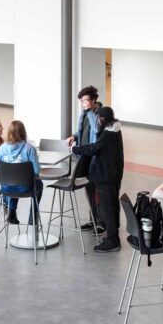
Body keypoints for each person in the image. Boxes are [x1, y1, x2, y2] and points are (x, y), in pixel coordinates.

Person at [69, 106, 125, 253]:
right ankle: (113, 236)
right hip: (113, 175)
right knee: (112, 206)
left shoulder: (108, 135)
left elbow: (93, 149)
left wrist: (75, 149)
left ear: (102, 119)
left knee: (108, 208)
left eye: (98, 119)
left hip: (107, 177)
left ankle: (113, 241)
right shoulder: (115, 130)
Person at [65, 85, 103, 234]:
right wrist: (74, 136)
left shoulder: (100, 113)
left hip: (95, 157)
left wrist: (90, 111)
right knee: (89, 189)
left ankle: (101, 223)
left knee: (97, 191)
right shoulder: (85, 113)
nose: (84, 104)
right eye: (82, 101)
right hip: (84, 155)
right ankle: (92, 219)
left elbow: (97, 129)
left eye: (86, 100)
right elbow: (82, 130)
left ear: (94, 100)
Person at [0, 120, 43, 227]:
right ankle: (33, 217)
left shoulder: (2, 148)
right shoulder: (29, 149)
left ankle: (11, 211)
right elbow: (36, 171)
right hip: (25, 188)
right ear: (23, 132)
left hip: (6, 188)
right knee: (39, 184)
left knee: (14, 180)